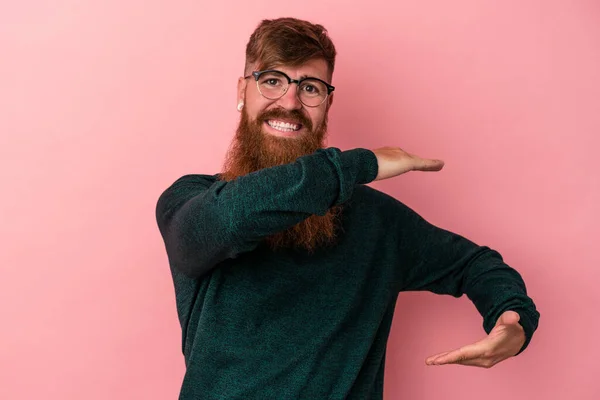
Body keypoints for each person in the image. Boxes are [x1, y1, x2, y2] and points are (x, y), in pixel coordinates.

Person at [155, 17, 540, 400]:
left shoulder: (377, 221)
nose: (289, 102)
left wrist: (512, 315)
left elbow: (473, 264)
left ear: (327, 103)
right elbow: (234, 217)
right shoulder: (191, 201)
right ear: (242, 90)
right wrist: (361, 164)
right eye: (272, 80)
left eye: (310, 88)